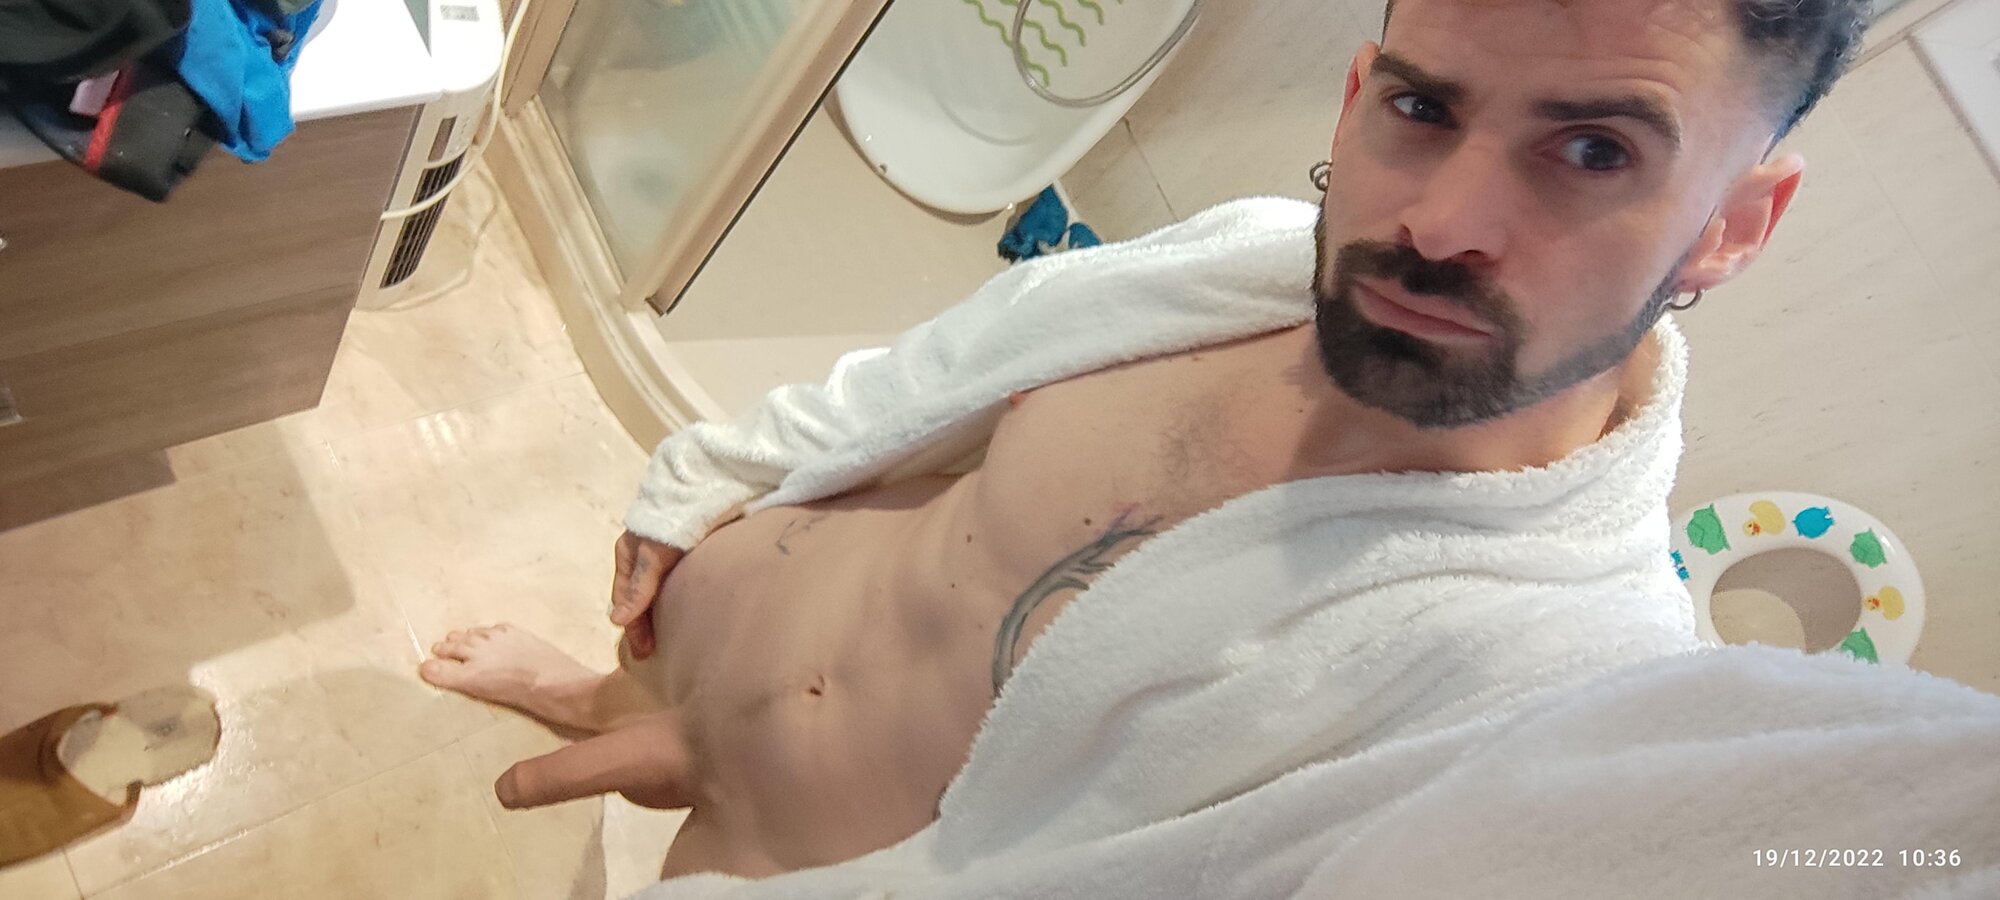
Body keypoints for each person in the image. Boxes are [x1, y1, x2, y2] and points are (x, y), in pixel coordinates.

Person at [420, 0, 1867, 883]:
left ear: (1734, 226)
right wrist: (719, 480)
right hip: (705, 633)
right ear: (1360, 95)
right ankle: (588, 698)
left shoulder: (1547, 683)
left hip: (774, 857)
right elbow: (946, 369)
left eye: (1596, 148)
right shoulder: (1247, 259)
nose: (1438, 223)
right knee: (617, 692)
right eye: (1424, 108)